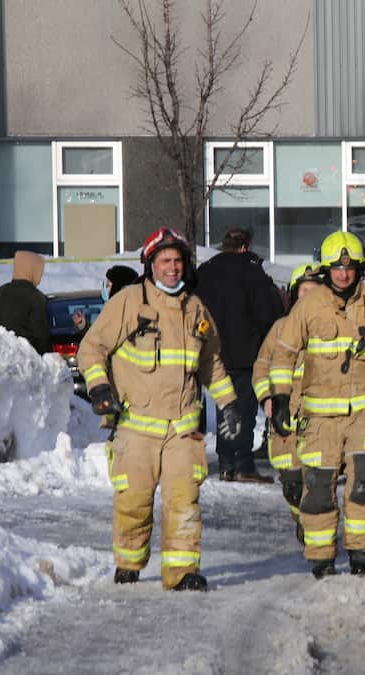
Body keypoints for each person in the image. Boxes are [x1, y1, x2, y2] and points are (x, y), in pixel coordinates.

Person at [78, 227, 243, 591]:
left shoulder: (196, 308)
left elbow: (211, 363)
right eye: (165, 261)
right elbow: (92, 348)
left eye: (178, 260)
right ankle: (129, 562)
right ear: (151, 264)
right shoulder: (128, 302)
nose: (172, 268)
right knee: (134, 502)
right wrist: (99, 387)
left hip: (183, 430)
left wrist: (229, 405)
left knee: (184, 503)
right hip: (137, 428)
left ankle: (183, 573)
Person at [268, 231, 365, 579]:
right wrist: (282, 398)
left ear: (359, 269)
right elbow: (284, 354)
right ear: (326, 270)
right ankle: (321, 559)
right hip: (319, 419)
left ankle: (361, 554)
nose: (343, 274)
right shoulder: (308, 307)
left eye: (349, 268)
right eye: (336, 268)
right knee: (317, 487)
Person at [195, 227, 284, 483]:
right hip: (246, 353)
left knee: (225, 407)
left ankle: (225, 462)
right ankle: (243, 463)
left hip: (213, 353)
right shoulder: (252, 271)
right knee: (243, 410)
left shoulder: (206, 271)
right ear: (245, 246)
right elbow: (270, 312)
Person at [253, 263, 326, 543]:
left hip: (320, 416)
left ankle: (316, 526)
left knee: (319, 480)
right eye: (305, 291)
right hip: (286, 418)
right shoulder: (281, 328)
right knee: (292, 483)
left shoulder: (332, 327)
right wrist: (267, 398)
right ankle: (301, 515)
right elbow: (262, 367)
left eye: (315, 291)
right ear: (295, 295)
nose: (309, 297)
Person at [0, 250, 51, 354]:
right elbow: (41, 338)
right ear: (33, 270)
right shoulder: (36, 298)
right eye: (40, 271)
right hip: (26, 359)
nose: (41, 275)